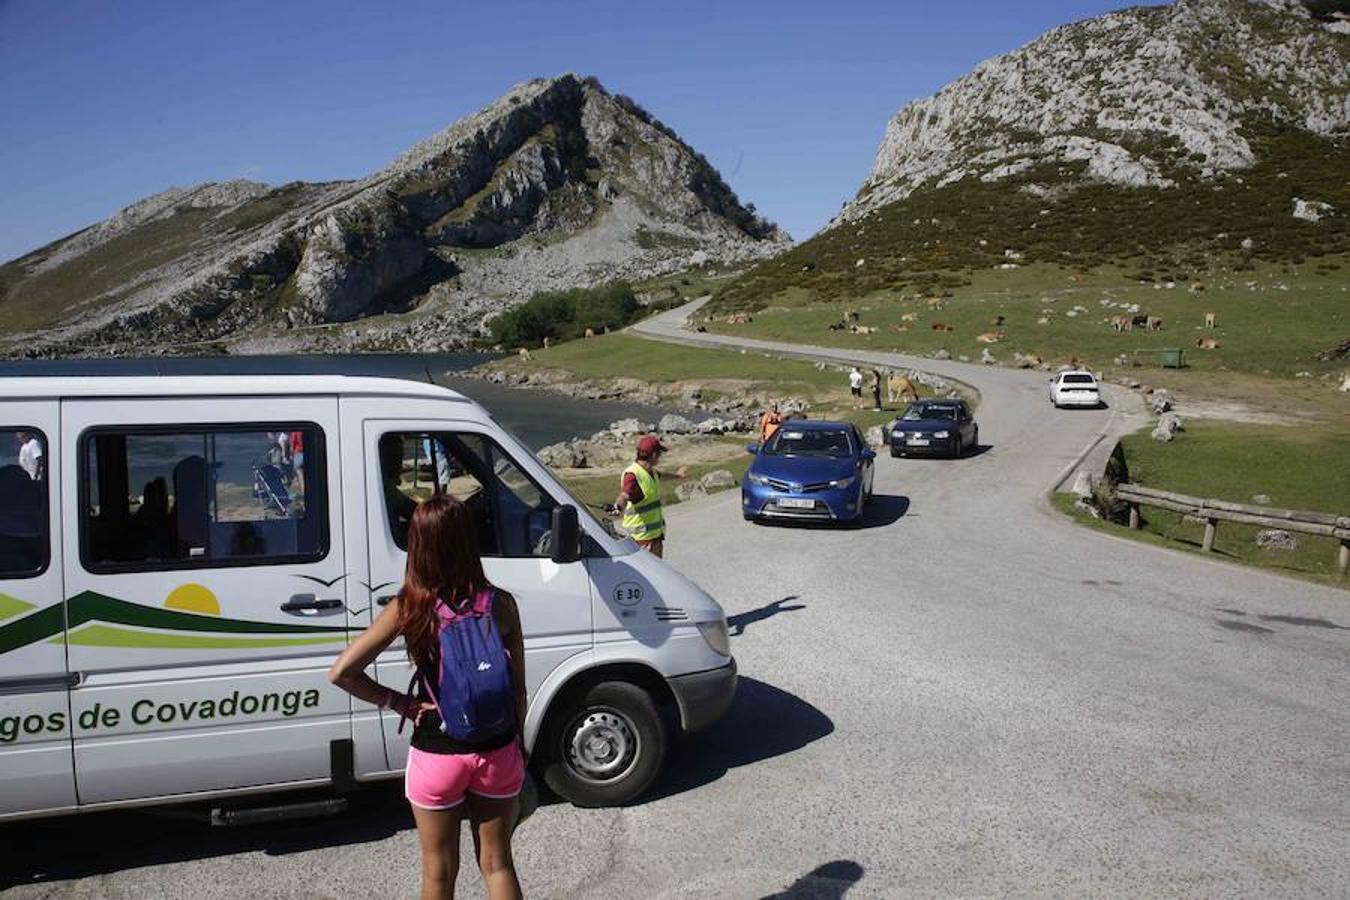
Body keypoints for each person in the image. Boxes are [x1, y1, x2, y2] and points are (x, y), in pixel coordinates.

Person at [330, 494, 527, 900]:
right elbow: (518, 690)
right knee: (497, 863)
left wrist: (398, 702)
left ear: (419, 545)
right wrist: (516, 749)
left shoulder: (411, 606)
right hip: (497, 750)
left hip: (437, 750)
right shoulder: (501, 604)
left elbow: (343, 672)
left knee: (438, 874)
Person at [611, 435, 686, 558]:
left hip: (654, 536)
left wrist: (677, 475)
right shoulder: (632, 474)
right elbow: (624, 496)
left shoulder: (651, 472)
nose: (660, 458)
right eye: (660, 454)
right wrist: (617, 507)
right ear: (654, 455)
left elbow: (662, 475)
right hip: (640, 540)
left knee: (658, 573)